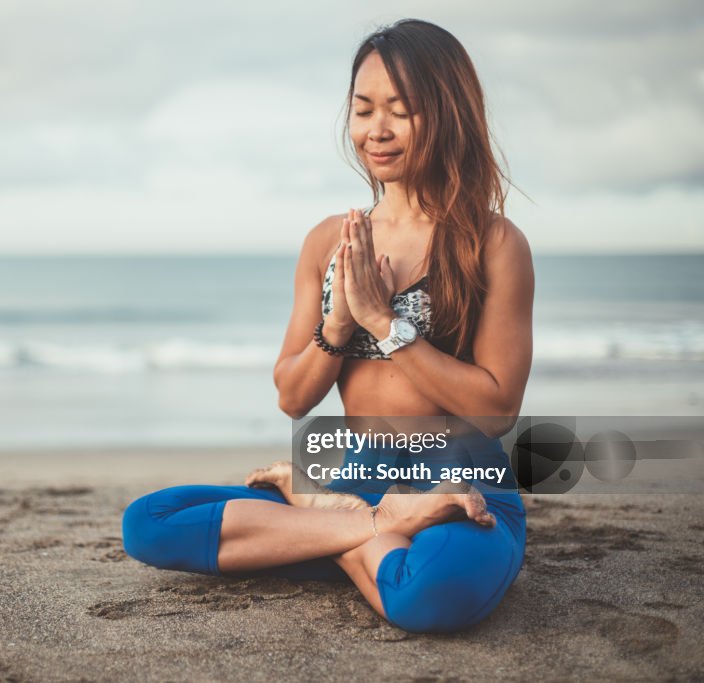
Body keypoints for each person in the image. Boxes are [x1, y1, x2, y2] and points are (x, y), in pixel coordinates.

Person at [122, 18, 534, 634]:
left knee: (431, 596)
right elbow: (293, 397)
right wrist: (338, 325)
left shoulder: (493, 243)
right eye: (364, 109)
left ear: (448, 114)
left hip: (458, 480)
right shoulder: (328, 242)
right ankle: (370, 529)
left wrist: (384, 322)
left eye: (402, 110)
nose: (377, 130)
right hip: (355, 478)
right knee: (148, 522)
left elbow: (497, 409)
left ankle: (318, 531)